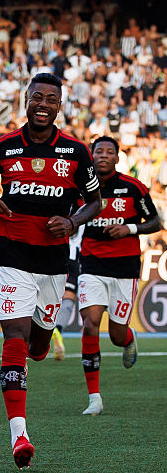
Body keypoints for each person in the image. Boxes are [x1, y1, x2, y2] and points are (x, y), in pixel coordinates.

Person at [0, 72, 101, 469]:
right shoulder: (2, 148)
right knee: (14, 334)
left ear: (59, 106)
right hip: (12, 253)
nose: (43, 104)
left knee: (38, 345)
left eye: (51, 99)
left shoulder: (75, 151)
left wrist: (72, 223)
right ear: (26, 100)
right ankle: (19, 435)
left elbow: (95, 203)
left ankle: (43, 339)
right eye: (37, 97)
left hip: (53, 260)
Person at [74, 136, 161, 415]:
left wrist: (130, 229)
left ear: (117, 158)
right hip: (91, 266)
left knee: (115, 334)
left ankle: (128, 338)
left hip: (125, 269)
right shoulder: (80, 187)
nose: (103, 155)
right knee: (90, 324)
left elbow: (156, 222)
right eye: (98, 151)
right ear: (91, 155)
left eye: (109, 152)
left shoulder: (133, 187)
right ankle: (94, 398)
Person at [49, 225, 83, 360]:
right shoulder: (87, 209)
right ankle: (58, 329)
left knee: (50, 296)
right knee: (68, 298)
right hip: (75, 258)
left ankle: (41, 331)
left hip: (56, 254)